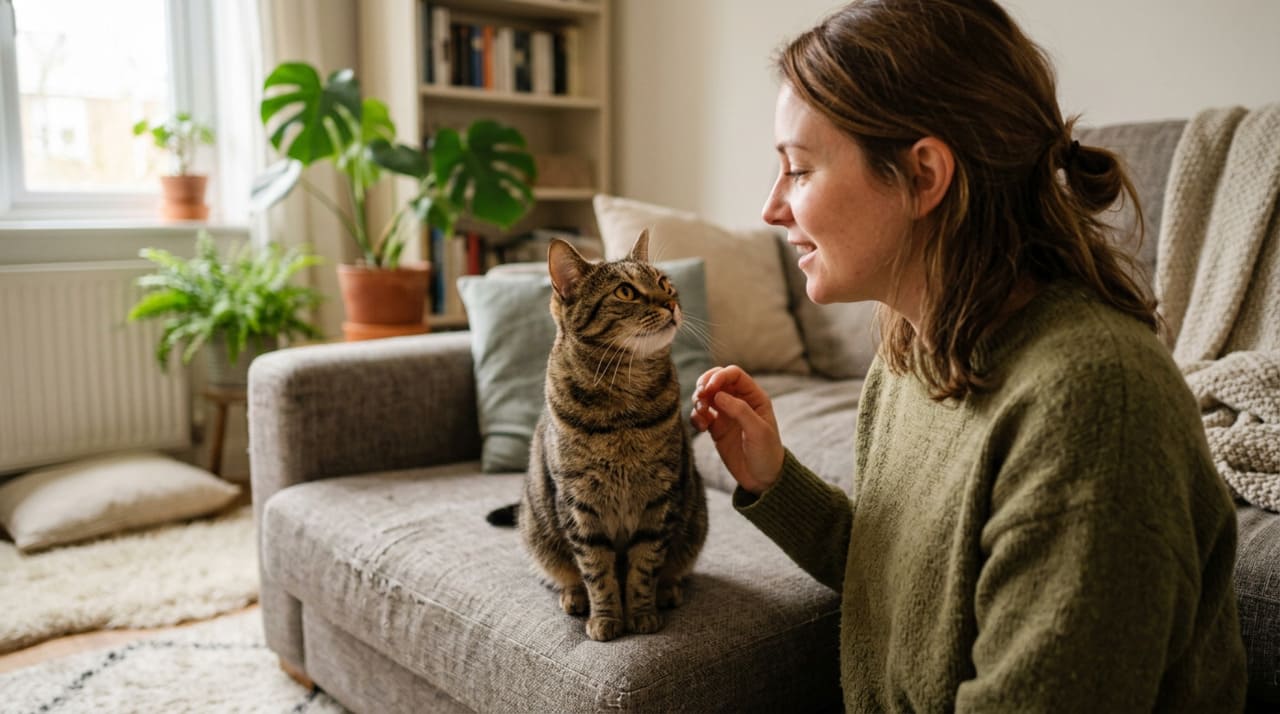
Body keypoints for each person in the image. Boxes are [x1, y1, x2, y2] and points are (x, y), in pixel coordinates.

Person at [690, 0, 1248, 711]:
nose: (772, 209)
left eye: (798, 169)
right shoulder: (910, 349)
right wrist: (775, 482)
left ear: (924, 175)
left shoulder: (1096, 401)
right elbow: (907, 588)